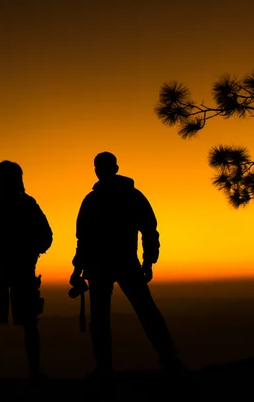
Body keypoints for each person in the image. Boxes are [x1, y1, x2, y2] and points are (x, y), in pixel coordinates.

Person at [70, 151, 183, 378]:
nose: (98, 170)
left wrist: (78, 268)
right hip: (121, 263)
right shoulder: (130, 196)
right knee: (144, 312)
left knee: (106, 318)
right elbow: (149, 230)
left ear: (104, 169)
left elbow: (84, 238)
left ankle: (105, 368)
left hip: (104, 265)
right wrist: (148, 260)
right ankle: (170, 362)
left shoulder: (93, 200)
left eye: (99, 167)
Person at [0, 160, 53, 386]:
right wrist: (32, 252)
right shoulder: (27, 204)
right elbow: (46, 236)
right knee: (27, 322)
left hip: (0, 269)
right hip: (20, 269)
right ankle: (33, 374)